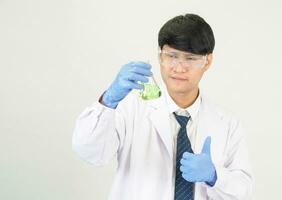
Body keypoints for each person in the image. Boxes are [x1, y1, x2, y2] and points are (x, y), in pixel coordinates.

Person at [72, 13, 253, 200]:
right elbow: (90, 153)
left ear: (207, 61)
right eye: (172, 56)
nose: (179, 68)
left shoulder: (228, 124)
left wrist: (214, 176)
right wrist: (107, 102)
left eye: (190, 59)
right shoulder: (130, 108)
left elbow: (243, 189)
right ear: (160, 56)